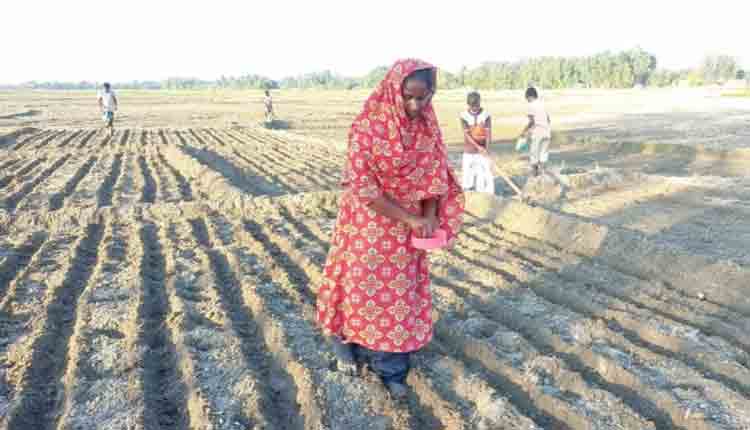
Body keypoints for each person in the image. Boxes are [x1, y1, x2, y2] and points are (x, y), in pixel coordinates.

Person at [316, 59, 464, 399]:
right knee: (355, 287)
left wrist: (427, 217)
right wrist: (411, 218)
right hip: (366, 226)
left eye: (423, 98)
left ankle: (392, 368)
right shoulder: (367, 127)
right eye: (409, 98)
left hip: (405, 235)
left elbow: (435, 178)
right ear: (393, 91)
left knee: (398, 297)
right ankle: (345, 349)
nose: (415, 106)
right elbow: (364, 188)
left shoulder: (427, 128)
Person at [460, 91, 494, 194]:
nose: (475, 108)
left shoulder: (486, 115)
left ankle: (488, 195)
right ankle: (467, 193)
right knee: (467, 173)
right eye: (473, 106)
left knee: (485, 173)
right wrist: (478, 147)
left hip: (483, 150)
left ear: (480, 103)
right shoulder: (464, 116)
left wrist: (486, 149)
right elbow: (467, 135)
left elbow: (488, 133)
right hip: (469, 150)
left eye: (477, 105)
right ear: (468, 104)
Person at [519, 87, 551, 176]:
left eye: (527, 98)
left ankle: (535, 175)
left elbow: (532, 122)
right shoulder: (542, 104)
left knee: (534, 155)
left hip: (538, 132)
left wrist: (524, 132)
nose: (527, 100)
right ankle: (544, 174)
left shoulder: (531, 105)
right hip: (547, 132)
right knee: (543, 154)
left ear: (530, 96)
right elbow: (548, 119)